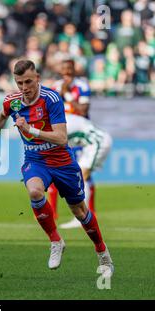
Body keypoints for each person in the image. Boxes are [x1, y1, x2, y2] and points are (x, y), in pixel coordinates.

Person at [0, 59, 113, 277]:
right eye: (20, 83)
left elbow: (61, 138)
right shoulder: (12, 101)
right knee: (34, 191)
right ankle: (55, 241)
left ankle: (101, 250)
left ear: (38, 78)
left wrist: (31, 130)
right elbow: (1, 117)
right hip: (36, 160)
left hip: (62, 161)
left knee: (80, 211)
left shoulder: (51, 99)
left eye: (28, 82)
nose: (24, 88)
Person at [49, 58, 97, 224]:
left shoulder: (82, 86)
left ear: (74, 70)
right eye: (64, 70)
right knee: (55, 172)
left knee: (84, 172)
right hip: (62, 135)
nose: (67, 73)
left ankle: (91, 211)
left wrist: (68, 94)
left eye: (70, 69)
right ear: (61, 71)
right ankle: (53, 213)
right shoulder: (55, 87)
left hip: (80, 135)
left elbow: (83, 111)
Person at [60, 113, 113, 228]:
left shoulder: (60, 123)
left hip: (97, 142)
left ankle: (81, 217)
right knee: (80, 177)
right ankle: (83, 216)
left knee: (80, 177)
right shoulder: (62, 117)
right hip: (93, 142)